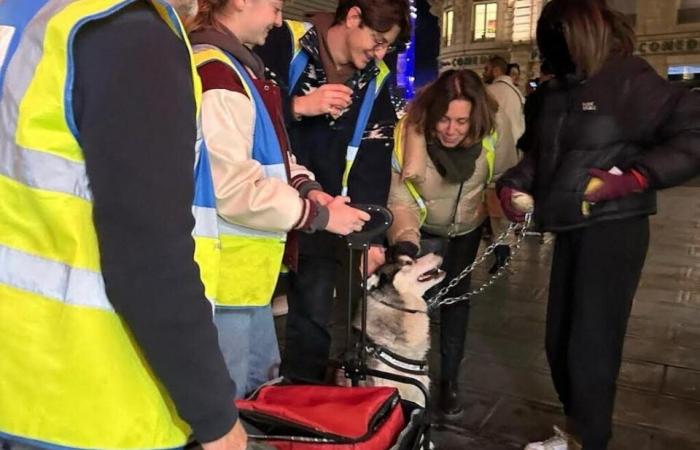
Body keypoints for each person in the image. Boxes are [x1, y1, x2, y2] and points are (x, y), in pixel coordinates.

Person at [0, 0, 248, 449]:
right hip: (92, 392)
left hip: (24, 378)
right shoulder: (133, 38)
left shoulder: (53, 21)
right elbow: (149, 254)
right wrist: (214, 413)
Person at [497, 1, 700, 449]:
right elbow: (541, 156)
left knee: (591, 340)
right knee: (559, 340)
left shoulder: (630, 80)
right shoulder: (558, 90)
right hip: (571, 225)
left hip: (614, 229)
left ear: (584, 33)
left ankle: (586, 438)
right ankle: (578, 429)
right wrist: (512, 185)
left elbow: (693, 131)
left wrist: (633, 178)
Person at [186, 0, 370, 398]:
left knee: (257, 391)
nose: (276, 20)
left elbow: (272, 156)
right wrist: (316, 215)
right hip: (223, 279)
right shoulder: (219, 74)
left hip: (244, 278)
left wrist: (308, 188)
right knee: (230, 404)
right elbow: (234, 189)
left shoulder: (238, 70)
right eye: (273, 7)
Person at [255, 0, 411, 384]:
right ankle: (246, 406)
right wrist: (299, 106)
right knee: (247, 313)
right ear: (353, 17)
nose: (378, 53)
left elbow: (374, 160)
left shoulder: (376, 79)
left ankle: (299, 411)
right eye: (375, 41)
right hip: (259, 205)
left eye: (385, 47)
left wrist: (369, 237)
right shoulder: (281, 41)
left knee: (313, 320)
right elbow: (247, 113)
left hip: (326, 214)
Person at [387, 69, 515, 415]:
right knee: (415, 305)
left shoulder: (493, 131)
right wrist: (406, 242)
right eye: (444, 119)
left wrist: (506, 227)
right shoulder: (408, 133)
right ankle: (412, 375)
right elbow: (400, 197)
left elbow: (503, 179)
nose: (452, 130)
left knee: (457, 301)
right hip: (423, 230)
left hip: (466, 228)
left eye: (462, 121)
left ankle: (450, 380)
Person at [482, 55, 526, 273]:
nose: (485, 71)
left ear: (496, 69)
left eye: (487, 67)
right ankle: (502, 249)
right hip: (512, 156)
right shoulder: (516, 93)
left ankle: (501, 251)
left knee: (495, 209)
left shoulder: (494, 92)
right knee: (502, 210)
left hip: (496, 159)